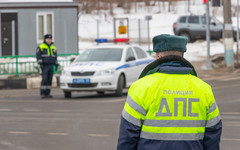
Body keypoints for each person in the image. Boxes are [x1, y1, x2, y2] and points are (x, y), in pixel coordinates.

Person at [117, 34, 222, 150]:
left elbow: (128, 134)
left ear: (158, 57)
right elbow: (213, 133)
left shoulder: (141, 87)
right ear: (182, 56)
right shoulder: (204, 89)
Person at [36, 34, 59, 99]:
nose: (49, 40)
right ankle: (43, 93)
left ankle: (48, 93)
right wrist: (40, 63)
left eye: (50, 39)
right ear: (45, 39)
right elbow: (38, 56)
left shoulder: (53, 48)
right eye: (47, 39)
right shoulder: (40, 47)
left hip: (51, 66)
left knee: (49, 80)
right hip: (45, 65)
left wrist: (56, 64)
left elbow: (55, 57)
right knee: (45, 79)